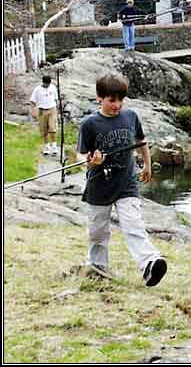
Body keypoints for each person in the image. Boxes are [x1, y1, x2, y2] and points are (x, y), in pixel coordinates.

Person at [76, 72, 167, 287]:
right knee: (98, 231)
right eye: (111, 100)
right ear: (100, 98)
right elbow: (80, 155)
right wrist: (91, 160)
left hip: (127, 183)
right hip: (99, 186)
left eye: (121, 99)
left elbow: (141, 141)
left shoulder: (130, 116)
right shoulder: (89, 123)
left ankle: (150, 264)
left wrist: (147, 164)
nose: (117, 104)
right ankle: (97, 266)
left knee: (133, 225)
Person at [30, 75, 59, 156]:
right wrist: (34, 110)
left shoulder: (53, 87)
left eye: (49, 84)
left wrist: (57, 108)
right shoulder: (37, 89)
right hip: (42, 110)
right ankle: (46, 147)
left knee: (52, 128)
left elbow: (56, 99)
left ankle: (54, 146)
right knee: (44, 130)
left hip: (52, 109)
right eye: (46, 84)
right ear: (43, 82)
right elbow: (32, 101)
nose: (48, 85)